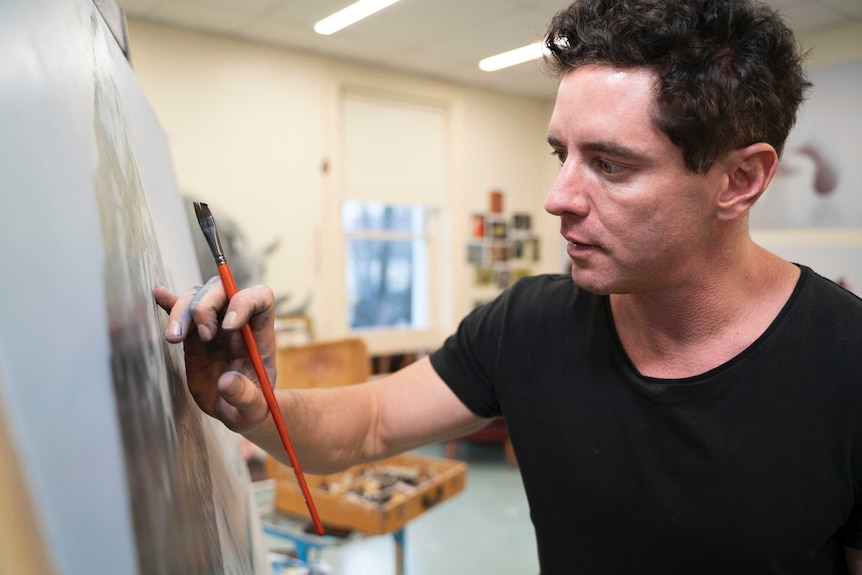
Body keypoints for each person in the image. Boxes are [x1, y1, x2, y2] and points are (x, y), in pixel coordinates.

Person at [154, 0, 862, 572]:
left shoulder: (847, 363)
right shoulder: (530, 324)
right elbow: (367, 422)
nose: (558, 197)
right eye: (562, 154)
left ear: (740, 180)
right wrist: (252, 401)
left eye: (610, 165)